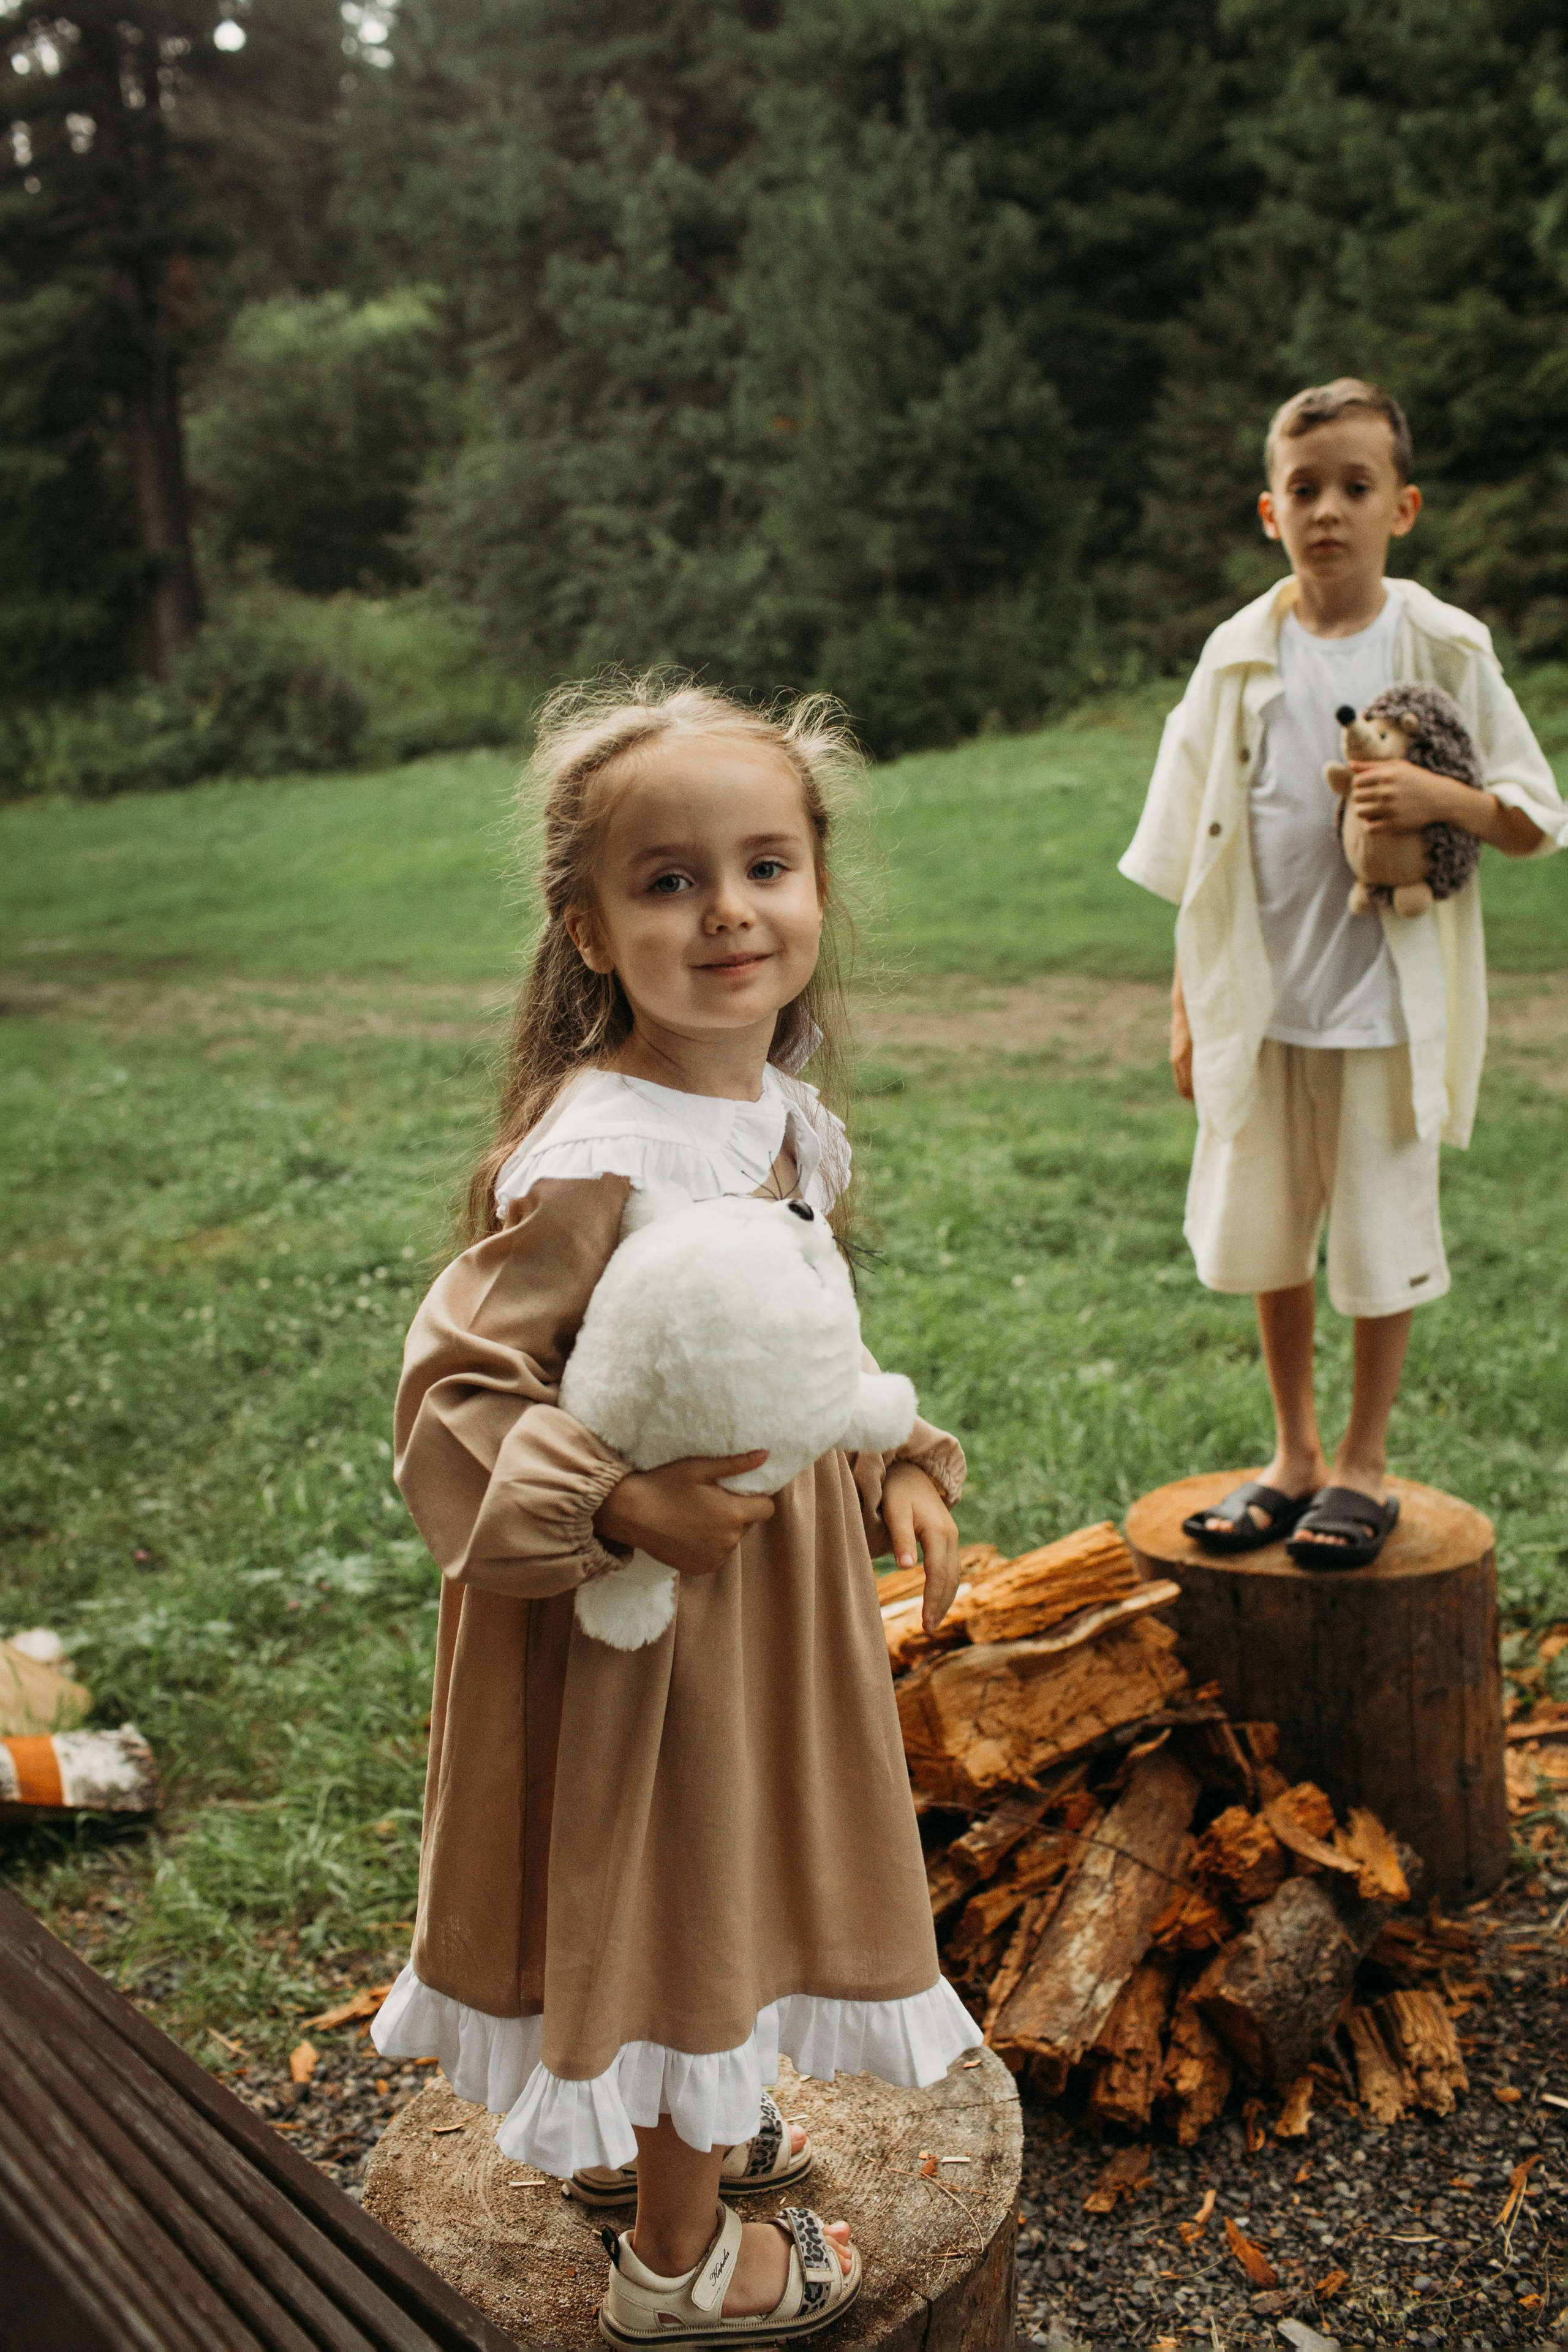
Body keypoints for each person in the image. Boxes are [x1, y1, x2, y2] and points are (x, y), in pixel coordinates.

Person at [372, 678, 977, 2344]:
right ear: (586, 928)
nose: (728, 911)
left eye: (766, 866)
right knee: (667, 1880)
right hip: (638, 1631)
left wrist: (898, 1458)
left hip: (767, 1616)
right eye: (667, 881)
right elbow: (448, 1394)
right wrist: (621, 1500)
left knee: (734, 1866)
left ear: (817, 891)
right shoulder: (600, 1152)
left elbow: (785, 1357)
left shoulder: (785, 1124)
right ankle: (681, 2265)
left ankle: (676, 2113)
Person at [1120, 377, 1566, 1567]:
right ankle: (1293, 1456)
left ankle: (1364, 1466)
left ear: (1399, 507)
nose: (1327, 510)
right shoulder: (1233, 662)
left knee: (1373, 1234)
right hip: (1260, 1008)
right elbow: (1193, 860)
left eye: (1353, 488)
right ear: (1268, 512)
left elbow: (1531, 816)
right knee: (1269, 1231)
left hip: (1384, 1012)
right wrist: (1184, 1012)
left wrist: (1441, 799)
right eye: (1302, 488)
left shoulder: (1441, 646)